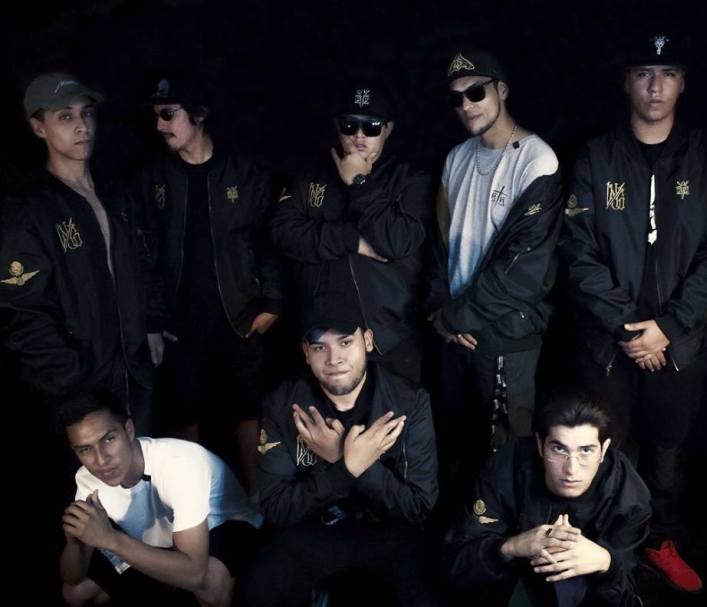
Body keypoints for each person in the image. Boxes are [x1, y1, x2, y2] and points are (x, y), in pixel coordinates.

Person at [559, 32, 707, 592]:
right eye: (643, 74)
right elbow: (577, 251)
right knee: (600, 447)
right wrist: (629, 328)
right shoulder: (596, 157)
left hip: (679, 345)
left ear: (683, 83)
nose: (655, 87)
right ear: (626, 83)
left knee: (666, 451)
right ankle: (605, 550)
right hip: (606, 343)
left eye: (667, 74)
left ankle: (659, 543)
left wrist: (668, 328)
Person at [134, 71, 283, 497]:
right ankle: (192, 506)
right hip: (179, 324)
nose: (160, 125)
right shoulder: (152, 176)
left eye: (168, 114)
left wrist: (272, 303)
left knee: (246, 409)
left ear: (198, 115)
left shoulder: (244, 173)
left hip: (240, 316)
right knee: (184, 412)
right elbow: (143, 251)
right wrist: (153, 319)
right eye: (156, 115)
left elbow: (269, 241)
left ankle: (260, 503)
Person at [243, 294, 440, 606]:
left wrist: (350, 461)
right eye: (319, 347)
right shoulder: (283, 404)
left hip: (386, 529)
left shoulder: (408, 402)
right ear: (306, 353)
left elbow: (418, 507)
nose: (333, 359)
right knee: (258, 591)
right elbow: (277, 508)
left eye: (345, 342)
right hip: (312, 529)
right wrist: (344, 469)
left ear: (368, 341)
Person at [428, 51, 563, 490]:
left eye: (476, 92)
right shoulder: (456, 158)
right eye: (456, 99)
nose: (466, 105)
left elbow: (523, 271)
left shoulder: (537, 161)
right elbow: (439, 247)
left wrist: (453, 318)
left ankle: (504, 530)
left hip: (505, 335)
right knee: (456, 447)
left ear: (501, 90)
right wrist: (441, 311)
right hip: (454, 334)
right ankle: (461, 531)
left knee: (505, 458)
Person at [0, 72, 153, 429]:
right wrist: (72, 380)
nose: (82, 125)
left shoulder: (116, 195)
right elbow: (22, 309)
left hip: (135, 372)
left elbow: (145, 262)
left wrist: (153, 326)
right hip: (79, 387)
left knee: (146, 459)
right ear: (39, 127)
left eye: (86, 113)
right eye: (65, 116)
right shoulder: (29, 209)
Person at [272, 80, 432, 383]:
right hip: (322, 339)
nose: (359, 136)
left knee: (397, 412)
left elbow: (397, 241)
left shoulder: (409, 180)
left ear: (387, 129)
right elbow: (283, 232)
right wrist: (351, 240)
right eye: (349, 126)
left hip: (387, 337)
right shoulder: (310, 174)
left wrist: (360, 183)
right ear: (337, 126)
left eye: (371, 127)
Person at [444, 392, 651, 606]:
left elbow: (630, 595)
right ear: (540, 445)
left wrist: (606, 564)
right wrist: (511, 547)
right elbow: (456, 565)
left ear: (603, 450)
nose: (571, 469)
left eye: (586, 451)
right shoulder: (506, 468)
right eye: (559, 449)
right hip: (509, 584)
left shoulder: (627, 497)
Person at [59, 391, 262, 606]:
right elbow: (72, 579)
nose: (101, 460)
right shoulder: (87, 479)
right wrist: (75, 541)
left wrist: (110, 539)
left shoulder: (179, 464)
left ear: (129, 430)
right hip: (162, 541)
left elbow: (195, 574)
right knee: (76, 593)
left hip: (221, 526)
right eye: (85, 449)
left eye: (108, 439)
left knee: (210, 585)